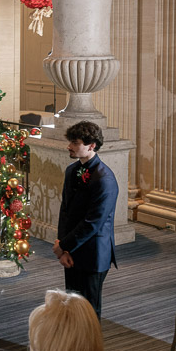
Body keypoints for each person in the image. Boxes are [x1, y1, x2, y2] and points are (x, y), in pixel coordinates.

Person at [52, 120, 119, 318]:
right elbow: (65, 211)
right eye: (70, 142)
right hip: (70, 249)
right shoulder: (72, 171)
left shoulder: (104, 179)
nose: (69, 146)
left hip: (93, 254)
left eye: (75, 143)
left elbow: (93, 223)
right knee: (71, 304)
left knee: (89, 311)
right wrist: (62, 249)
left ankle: (90, 349)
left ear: (92, 146)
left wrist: (64, 245)